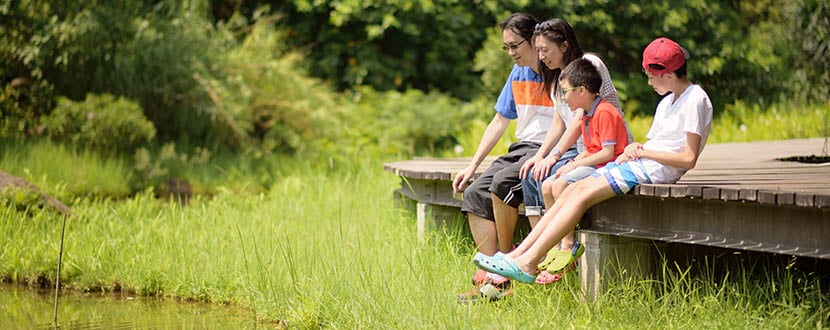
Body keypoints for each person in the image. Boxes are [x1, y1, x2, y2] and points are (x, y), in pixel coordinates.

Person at [473, 37, 713, 285]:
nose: (649, 82)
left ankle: (528, 261)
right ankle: (518, 255)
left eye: (651, 76)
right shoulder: (668, 100)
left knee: (579, 195)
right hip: (639, 163)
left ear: (669, 73)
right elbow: (657, 143)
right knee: (570, 190)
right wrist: (637, 150)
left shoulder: (695, 99)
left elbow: (688, 158)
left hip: (653, 170)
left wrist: (642, 152)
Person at [516, 18, 633, 284]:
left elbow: (580, 119)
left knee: (553, 179)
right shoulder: (559, 79)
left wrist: (556, 157)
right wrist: (540, 155)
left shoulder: (587, 68)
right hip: (584, 152)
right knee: (536, 174)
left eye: (545, 49)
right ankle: (546, 251)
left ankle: (563, 248)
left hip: (603, 151)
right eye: (539, 50)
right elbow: (560, 120)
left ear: (565, 45)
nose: (541, 56)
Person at [453, 13, 552, 302]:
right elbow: (499, 121)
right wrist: (471, 166)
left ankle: (504, 269)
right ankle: (492, 275)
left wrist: (548, 154)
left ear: (534, 40)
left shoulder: (557, 71)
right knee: (474, 193)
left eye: (514, 46)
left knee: (503, 184)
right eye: (505, 47)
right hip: (523, 148)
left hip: (550, 150)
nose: (510, 53)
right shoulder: (517, 73)